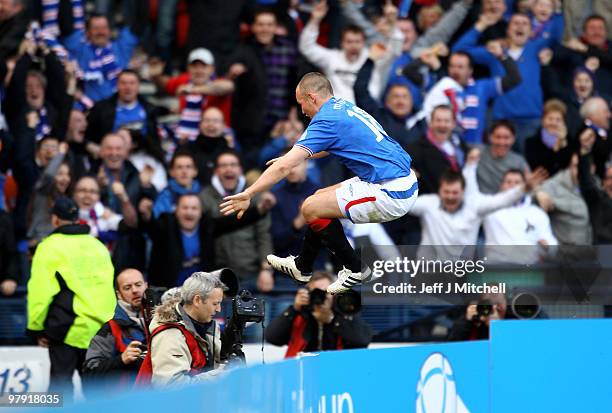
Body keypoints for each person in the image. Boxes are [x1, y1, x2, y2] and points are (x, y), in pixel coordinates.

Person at [220, 72, 418, 294]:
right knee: (317, 199)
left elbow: (285, 168)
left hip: (392, 191)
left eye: (301, 103)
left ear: (312, 97)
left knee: (309, 208)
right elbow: (332, 145)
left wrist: (249, 192)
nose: (302, 110)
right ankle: (302, 266)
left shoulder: (326, 120)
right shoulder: (341, 106)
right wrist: (297, 156)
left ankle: (355, 268)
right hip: (394, 177)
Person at [26, 196, 116, 398]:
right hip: (101, 331)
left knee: (59, 394)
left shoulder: (49, 246)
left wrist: (35, 328)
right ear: (77, 219)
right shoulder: (98, 246)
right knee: (99, 398)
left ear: (55, 219)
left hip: (68, 329)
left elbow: (40, 292)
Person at [141, 193, 270, 288]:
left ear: (200, 212)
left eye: (194, 208)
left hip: (200, 292)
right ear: (176, 211)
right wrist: (147, 215)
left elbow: (232, 222)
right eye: (185, 208)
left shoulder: (206, 225)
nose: (189, 212)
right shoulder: (166, 223)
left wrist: (259, 210)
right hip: (168, 290)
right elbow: (153, 227)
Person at [200, 151, 275, 291]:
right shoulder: (204, 197)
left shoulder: (255, 196)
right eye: (224, 165)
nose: (229, 169)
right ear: (216, 170)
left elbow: (263, 235)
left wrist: (266, 269)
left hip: (250, 273)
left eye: (233, 165)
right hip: (217, 277)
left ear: (240, 169)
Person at [136, 271, 227, 387]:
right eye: (215, 303)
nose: (219, 309)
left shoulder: (208, 325)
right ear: (197, 300)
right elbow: (171, 387)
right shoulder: (169, 334)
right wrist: (218, 377)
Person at [265, 271, 372, 358]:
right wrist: (294, 309)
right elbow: (272, 337)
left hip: (335, 372)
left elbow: (363, 340)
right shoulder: (300, 315)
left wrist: (332, 319)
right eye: (317, 292)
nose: (322, 296)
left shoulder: (342, 313)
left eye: (327, 291)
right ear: (308, 293)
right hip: (303, 373)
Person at [82, 269, 147, 391]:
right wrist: (121, 360)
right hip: (127, 403)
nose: (135, 290)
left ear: (146, 285)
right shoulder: (110, 329)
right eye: (127, 288)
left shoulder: (165, 320)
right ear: (119, 294)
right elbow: (89, 373)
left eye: (138, 285)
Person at [476, 120, 530, 194]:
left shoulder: (519, 161)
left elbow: (530, 185)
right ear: (490, 137)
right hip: (480, 202)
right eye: (498, 137)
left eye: (506, 138)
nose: (502, 142)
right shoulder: (477, 152)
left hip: (509, 203)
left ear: (513, 139)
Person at [578, 128, 612, 244]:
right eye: (609, 178)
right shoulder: (597, 198)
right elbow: (585, 179)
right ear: (604, 181)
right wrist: (585, 151)